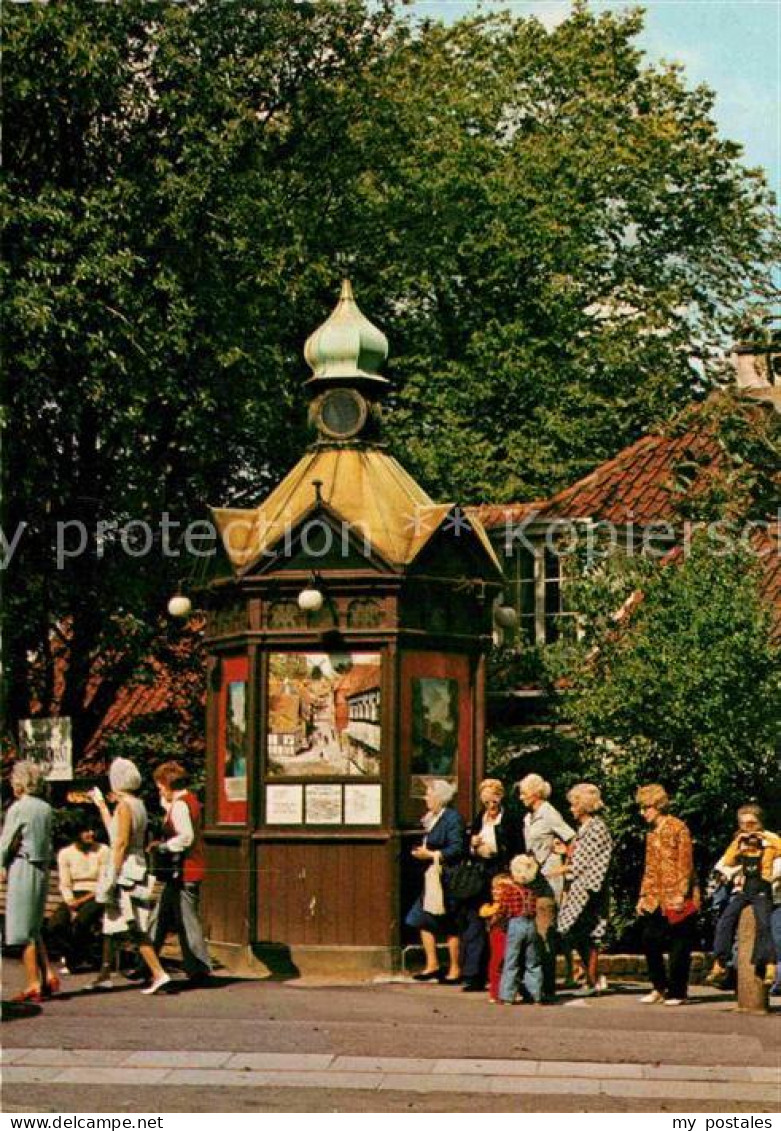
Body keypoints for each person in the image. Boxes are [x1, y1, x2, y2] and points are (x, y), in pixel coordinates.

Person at [87, 757, 171, 995]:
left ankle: (158, 972)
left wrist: (112, 874)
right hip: (136, 865)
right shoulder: (137, 804)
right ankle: (104, 974)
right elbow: (118, 834)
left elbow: (120, 842)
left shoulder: (124, 806)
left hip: (124, 869)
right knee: (112, 921)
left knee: (133, 924)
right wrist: (102, 806)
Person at [146, 761, 212, 985]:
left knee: (187, 921)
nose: (159, 790)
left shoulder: (181, 805)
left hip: (185, 870)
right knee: (162, 916)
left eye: (160, 786)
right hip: (185, 871)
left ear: (167, 783)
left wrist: (163, 847)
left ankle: (199, 968)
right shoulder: (187, 801)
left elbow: (186, 837)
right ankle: (146, 962)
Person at [635, 783, 699, 1006]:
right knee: (649, 939)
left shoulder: (678, 828)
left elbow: (686, 863)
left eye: (646, 808)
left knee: (679, 944)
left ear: (658, 806)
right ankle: (658, 986)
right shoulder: (651, 834)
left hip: (677, 894)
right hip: (655, 896)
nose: (643, 813)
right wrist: (643, 895)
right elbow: (649, 867)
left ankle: (678, 991)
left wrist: (682, 892)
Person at [0, 761, 58, 1003]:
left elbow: (6, 842)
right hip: (42, 866)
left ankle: (33, 982)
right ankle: (48, 975)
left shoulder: (18, 808)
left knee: (22, 929)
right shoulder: (45, 808)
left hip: (24, 865)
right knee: (34, 925)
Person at [459, 778, 524, 993]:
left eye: (493, 800)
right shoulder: (481, 818)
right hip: (480, 872)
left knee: (502, 921)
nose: (490, 805)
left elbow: (517, 846)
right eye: (486, 801)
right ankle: (473, 974)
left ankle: (505, 974)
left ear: (500, 797)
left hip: (501, 871)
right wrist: (473, 845)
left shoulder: (510, 819)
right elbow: (470, 842)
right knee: (477, 919)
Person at [706, 804, 779, 987]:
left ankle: (769, 965)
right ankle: (720, 962)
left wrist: (764, 839)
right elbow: (727, 862)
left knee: (765, 924)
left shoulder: (770, 838)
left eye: (752, 823)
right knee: (726, 920)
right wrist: (739, 844)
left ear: (760, 823)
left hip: (763, 888)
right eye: (744, 824)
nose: (748, 828)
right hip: (744, 888)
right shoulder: (740, 839)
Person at [518, 773, 575, 998]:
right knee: (533, 934)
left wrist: (565, 865)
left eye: (523, 792)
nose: (521, 797)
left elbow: (572, 839)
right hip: (532, 879)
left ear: (535, 793)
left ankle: (546, 986)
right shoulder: (529, 817)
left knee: (545, 932)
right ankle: (534, 983)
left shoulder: (549, 814)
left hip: (548, 881)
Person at [405, 779, 465, 984]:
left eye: (429, 794)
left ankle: (455, 968)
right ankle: (432, 964)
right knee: (421, 917)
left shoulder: (452, 818)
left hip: (446, 876)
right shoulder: (431, 818)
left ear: (440, 798)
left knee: (449, 921)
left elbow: (456, 848)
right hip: (431, 876)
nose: (425, 798)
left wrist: (431, 854)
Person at [557, 783, 612, 997]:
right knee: (578, 933)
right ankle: (590, 978)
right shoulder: (587, 827)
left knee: (587, 933)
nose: (571, 808)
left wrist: (571, 869)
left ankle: (591, 979)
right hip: (580, 888)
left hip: (588, 890)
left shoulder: (597, 827)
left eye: (574, 804)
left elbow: (597, 861)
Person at [46, 813, 110, 973]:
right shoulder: (66, 853)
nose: (90, 834)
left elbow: (103, 882)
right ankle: (74, 954)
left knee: (82, 920)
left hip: (96, 895)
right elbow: (65, 883)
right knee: (56, 923)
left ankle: (73, 960)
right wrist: (71, 902)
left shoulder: (103, 850)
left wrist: (80, 903)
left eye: (91, 830)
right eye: (85, 831)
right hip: (74, 895)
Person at [498, 854, 543, 1006]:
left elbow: (503, 909)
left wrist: (499, 921)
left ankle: (507, 995)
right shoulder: (531, 892)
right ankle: (536, 995)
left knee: (511, 960)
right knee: (533, 961)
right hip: (531, 924)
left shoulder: (509, 891)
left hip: (515, 922)